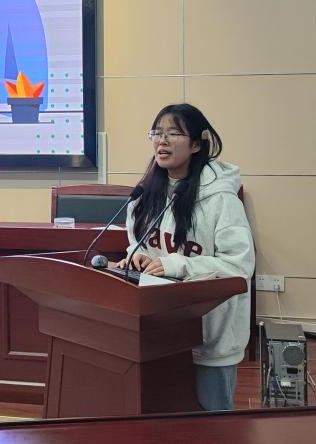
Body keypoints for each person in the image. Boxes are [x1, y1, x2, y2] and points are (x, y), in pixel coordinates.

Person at [116, 103, 255, 411]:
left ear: (196, 144)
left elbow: (239, 265)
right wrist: (137, 258)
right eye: (157, 133)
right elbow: (140, 245)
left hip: (209, 334)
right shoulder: (144, 196)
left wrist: (177, 264)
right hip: (159, 331)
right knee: (163, 417)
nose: (162, 141)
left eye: (173, 133)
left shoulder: (221, 199)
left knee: (211, 423)